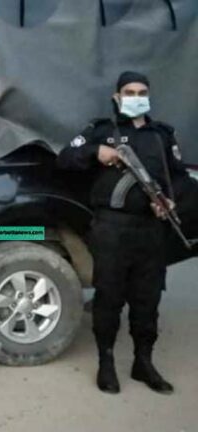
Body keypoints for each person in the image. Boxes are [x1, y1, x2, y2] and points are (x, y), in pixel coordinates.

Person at [57, 71, 186, 395]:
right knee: (109, 299)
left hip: (151, 230)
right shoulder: (102, 131)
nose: (136, 97)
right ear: (117, 97)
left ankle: (143, 363)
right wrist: (95, 152)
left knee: (148, 300)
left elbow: (179, 178)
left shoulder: (162, 135)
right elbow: (64, 159)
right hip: (111, 229)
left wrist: (170, 202)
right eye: (129, 92)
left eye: (142, 92)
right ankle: (107, 362)